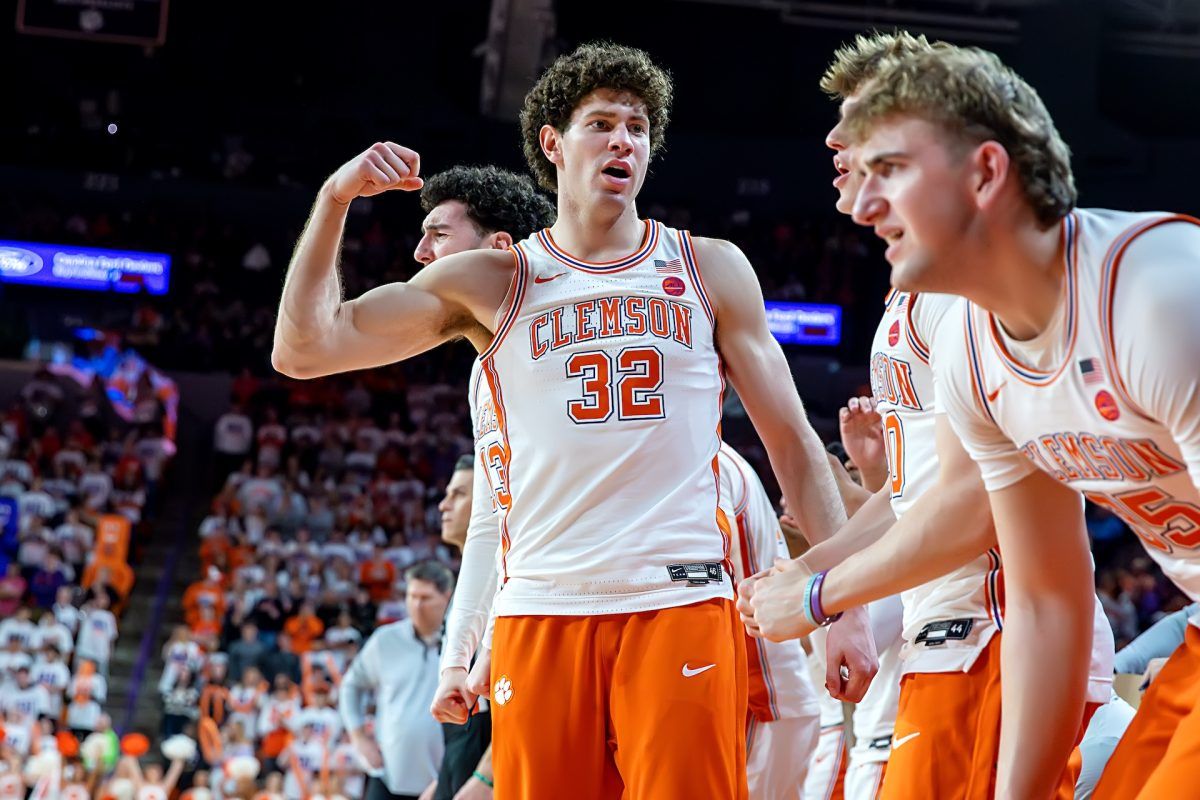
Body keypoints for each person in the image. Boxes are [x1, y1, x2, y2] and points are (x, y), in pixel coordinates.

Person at [275, 41, 873, 799]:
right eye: (602, 123)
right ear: (553, 145)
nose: (625, 139)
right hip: (541, 609)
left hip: (678, 600)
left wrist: (839, 604)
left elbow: (790, 442)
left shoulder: (709, 267)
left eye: (638, 127)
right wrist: (333, 199)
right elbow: (304, 349)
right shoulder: (495, 279)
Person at [740, 31, 1117, 800]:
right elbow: (925, 487)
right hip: (955, 631)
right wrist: (815, 565)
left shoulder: (967, 290)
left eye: (866, 128)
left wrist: (822, 592)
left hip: (992, 630)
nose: (835, 140)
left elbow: (976, 501)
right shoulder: (914, 293)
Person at [836, 35, 1200, 799]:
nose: (862, 205)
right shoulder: (970, 350)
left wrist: (816, 587)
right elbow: (1048, 600)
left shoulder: (1161, 299)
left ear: (986, 173)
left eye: (890, 171)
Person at [339, 561, 453, 800]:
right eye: (412, 596)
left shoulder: (462, 643)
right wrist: (358, 736)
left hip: (445, 780)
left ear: (447, 597)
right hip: (388, 776)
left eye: (425, 597)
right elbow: (351, 685)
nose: (417, 605)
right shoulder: (385, 640)